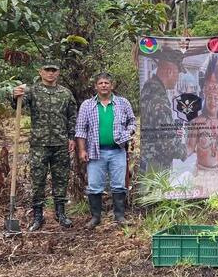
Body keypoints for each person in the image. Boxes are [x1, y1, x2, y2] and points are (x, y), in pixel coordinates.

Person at [11, 60, 78, 231]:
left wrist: (71, 137)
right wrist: (15, 96)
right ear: (40, 72)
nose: (50, 73)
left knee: (61, 179)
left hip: (60, 143)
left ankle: (60, 213)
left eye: (53, 70)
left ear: (58, 73)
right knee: (38, 180)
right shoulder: (32, 91)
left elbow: (72, 116)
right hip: (39, 144)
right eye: (47, 70)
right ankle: (38, 216)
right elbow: (18, 105)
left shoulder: (65, 93)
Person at [75, 72, 136, 228]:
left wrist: (127, 133)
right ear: (95, 86)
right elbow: (80, 129)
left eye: (106, 83)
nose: (104, 85)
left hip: (118, 151)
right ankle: (96, 217)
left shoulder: (123, 103)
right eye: (100, 83)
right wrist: (82, 150)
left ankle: (120, 216)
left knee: (119, 184)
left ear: (112, 86)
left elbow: (132, 121)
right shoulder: (87, 105)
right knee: (94, 185)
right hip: (96, 152)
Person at [186, 57, 218, 197]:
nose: (213, 102)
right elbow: (189, 148)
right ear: (205, 100)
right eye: (209, 98)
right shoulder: (197, 122)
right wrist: (171, 151)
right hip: (202, 174)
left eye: (216, 98)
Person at [139, 48, 186, 172]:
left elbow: (156, 127)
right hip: (156, 164)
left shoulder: (149, 89)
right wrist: (186, 150)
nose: (177, 79)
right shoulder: (158, 97)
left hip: (148, 161)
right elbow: (168, 145)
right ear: (170, 71)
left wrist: (172, 129)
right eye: (177, 74)